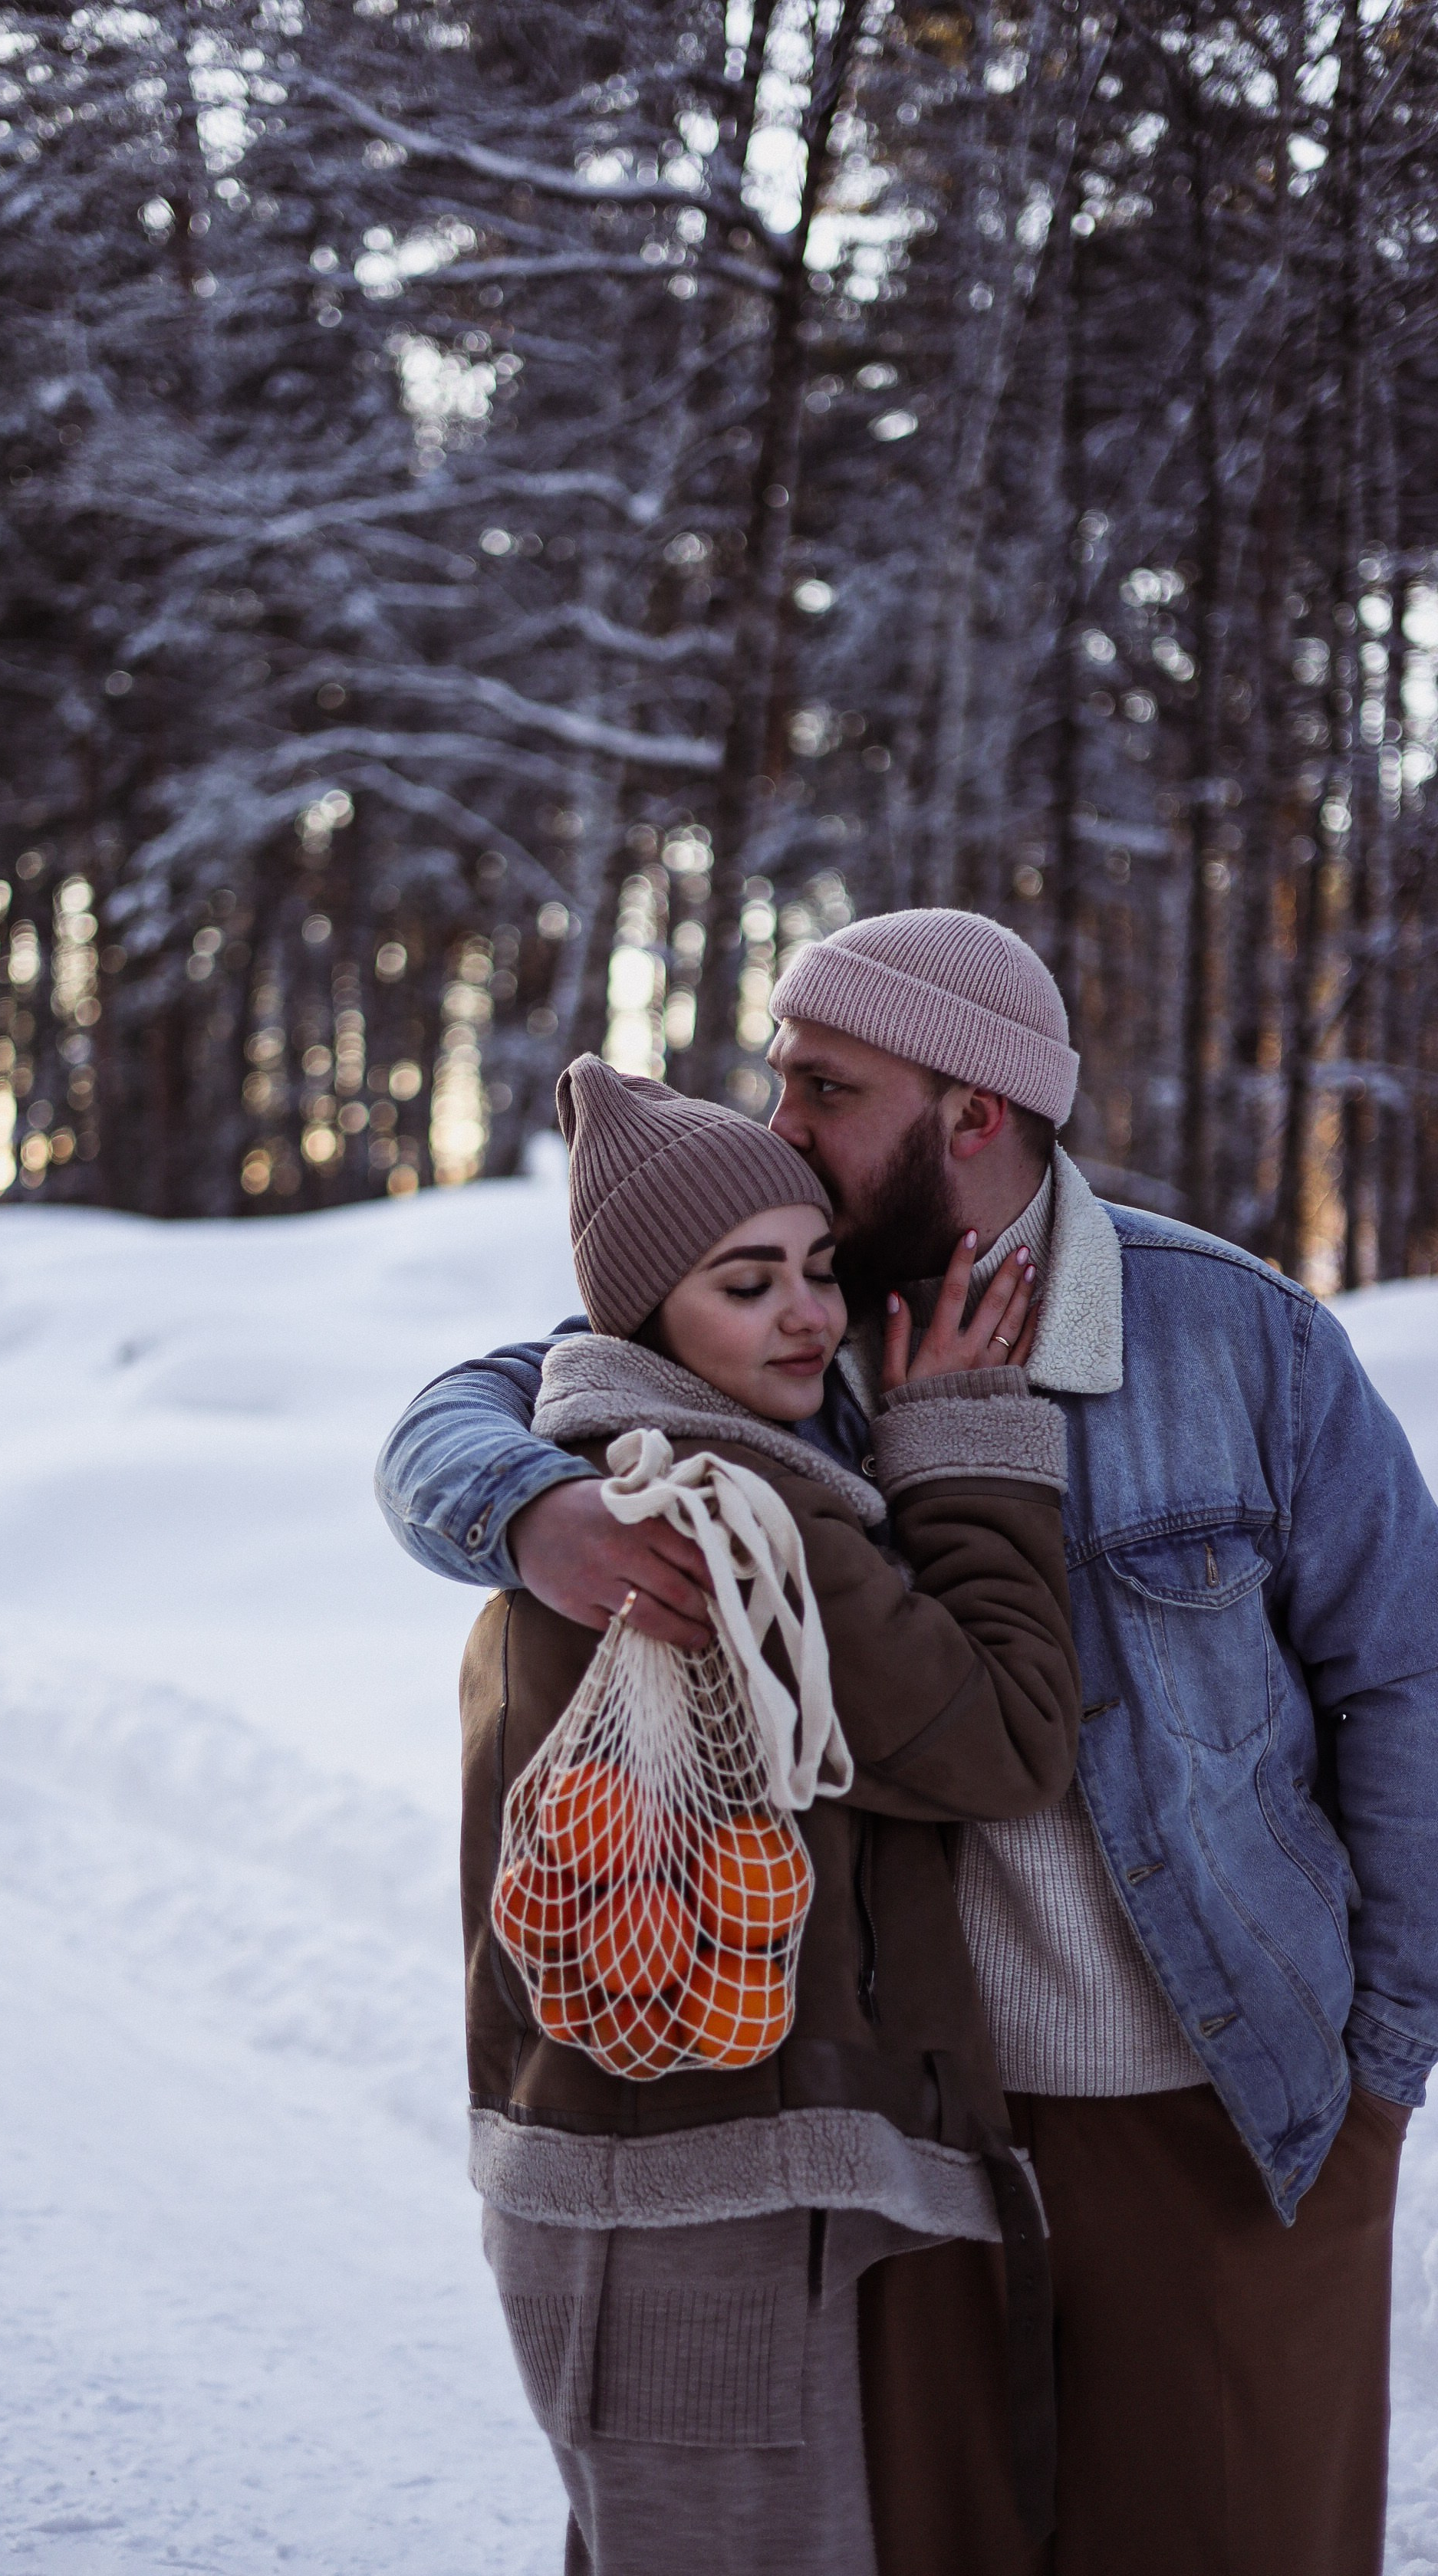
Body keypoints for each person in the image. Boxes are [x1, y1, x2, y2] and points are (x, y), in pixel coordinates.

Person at [378, 909, 1438, 2576]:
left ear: (972, 1116)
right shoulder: (785, 1309)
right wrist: (528, 1509)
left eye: (822, 1084)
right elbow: (470, 1403)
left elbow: (1407, 1683)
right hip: (912, 2135)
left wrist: (1379, 2060)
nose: (777, 1122)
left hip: (1232, 2108)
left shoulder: (1236, 1340)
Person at [457, 1051, 1079, 2574]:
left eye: (814, 1267)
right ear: (644, 1313)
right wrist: (968, 1449)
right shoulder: (722, 1510)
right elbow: (1000, 1742)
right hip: (685, 2197)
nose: (810, 1314)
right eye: (748, 1284)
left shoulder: (597, 1479)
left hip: (659, 2159)